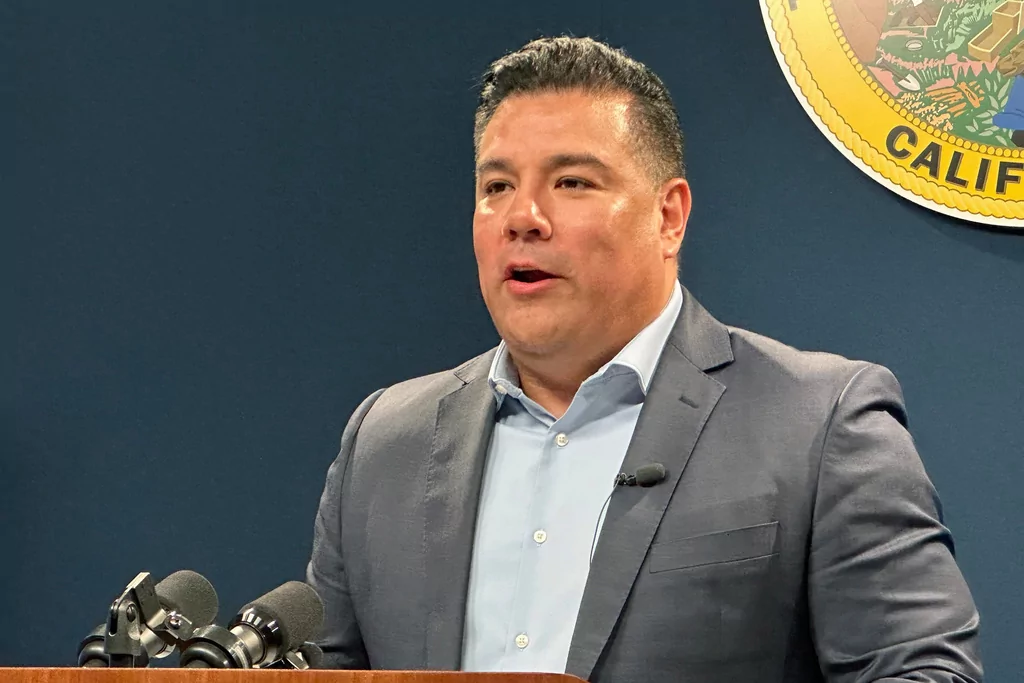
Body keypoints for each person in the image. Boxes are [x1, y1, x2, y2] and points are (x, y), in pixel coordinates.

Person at [306, 36, 983, 682]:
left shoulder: (819, 424)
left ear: (669, 217)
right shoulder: (385, 440)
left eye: (571, 182)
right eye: (497, 187)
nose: (524, 216)